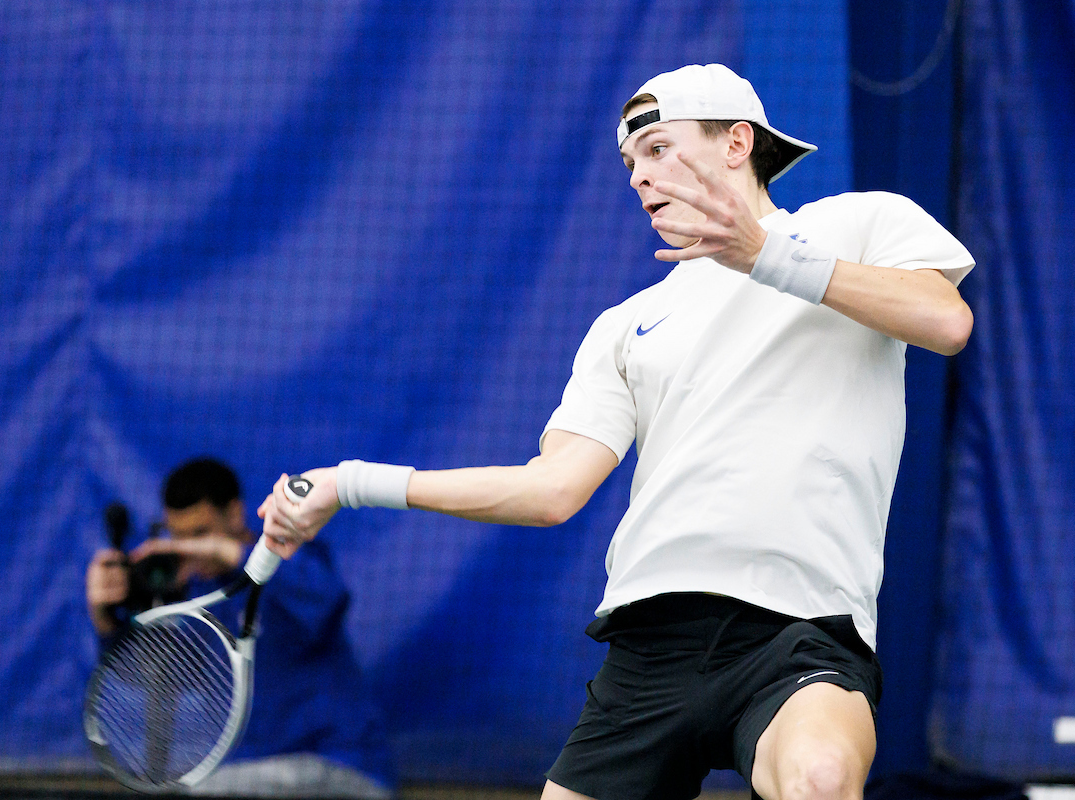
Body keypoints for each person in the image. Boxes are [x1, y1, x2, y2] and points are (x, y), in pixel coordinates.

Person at [256, 63, 975, 800]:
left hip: (802, 631)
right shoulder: (622, 326)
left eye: (659, 149)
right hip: (649, 649)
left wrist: (766, 256)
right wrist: (350, 483)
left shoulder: (854, 224)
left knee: (820, 779)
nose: (639, 176)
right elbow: (551, 491)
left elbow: (946, 320)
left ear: (736, 143)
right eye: (630, 163)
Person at [86, 457, 395, 799]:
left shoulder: (292, 558)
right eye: (179, 537)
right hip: (240, 776)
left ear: (234, 514)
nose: (189, 548)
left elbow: (328, 599)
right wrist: (106, 620)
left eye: (200, 534)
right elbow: (151, 681)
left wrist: (231, 553)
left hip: (336, 766)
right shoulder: (191, 597)